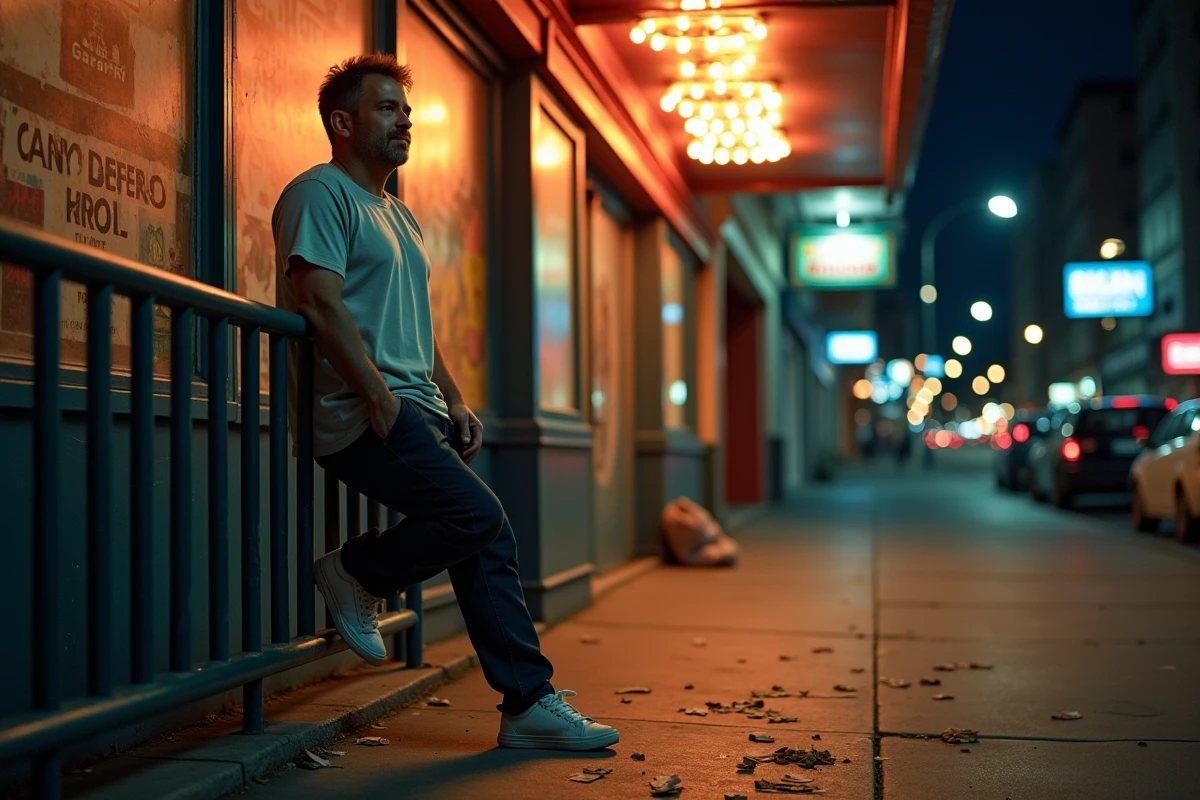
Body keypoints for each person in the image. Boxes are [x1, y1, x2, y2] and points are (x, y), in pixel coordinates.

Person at [272, 53, 618, 752]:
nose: (405, 121)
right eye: (386, 109)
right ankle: (353, 572)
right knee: (476, 515)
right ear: (342, 122)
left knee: (487, 534)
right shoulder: (319, 194)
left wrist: (453, 398)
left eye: (407, 110)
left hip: (413, 406)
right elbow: (317, 301)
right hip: (360, 412)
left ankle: (527, 704)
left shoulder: (400, 216)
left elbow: (414, 325)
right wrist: (377, 396)